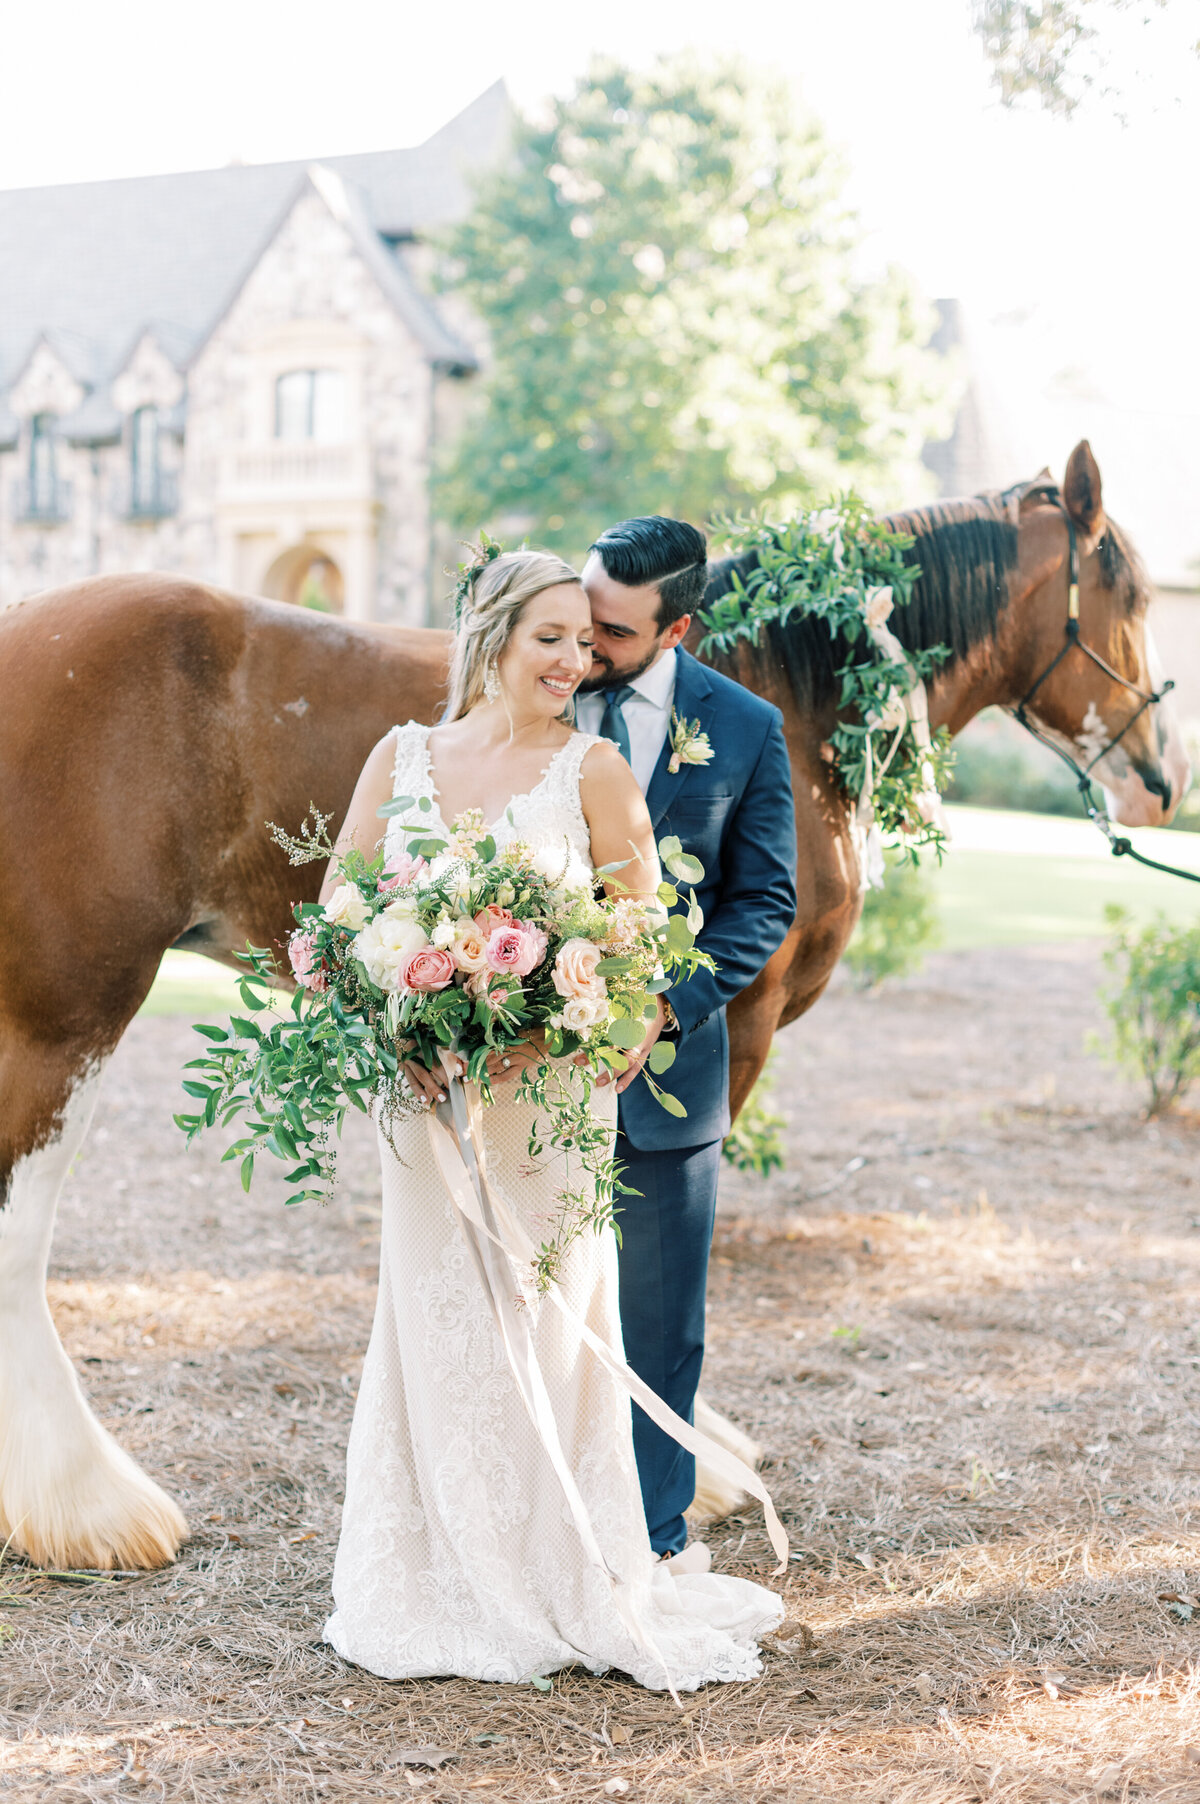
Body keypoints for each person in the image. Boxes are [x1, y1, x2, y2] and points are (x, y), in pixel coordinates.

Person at [319, 548, 783, 1691]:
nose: (577, 662)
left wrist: (566, 1020)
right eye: (554, 640)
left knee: (547, 1325)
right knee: (435, 1326)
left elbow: (644, 948)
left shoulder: (593, 775)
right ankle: (437, 1576)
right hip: (427, 1110)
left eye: (588, 643)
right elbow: (337, 913)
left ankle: (559, 1570)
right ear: (490, 637)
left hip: (548, 1109)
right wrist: (395, 1021)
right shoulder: (399, 757)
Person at [575, 518, 798, 1564]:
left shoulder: (745, 728)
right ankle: (547, 1532)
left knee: (662, 1332)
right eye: (581, 614)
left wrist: (671, 1000)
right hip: (530, 1077)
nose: (585, 644)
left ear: (678, 627)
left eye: (611, 630)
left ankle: (652, 1539)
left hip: (668, 1084)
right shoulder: (537, 696)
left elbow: (765, 901)